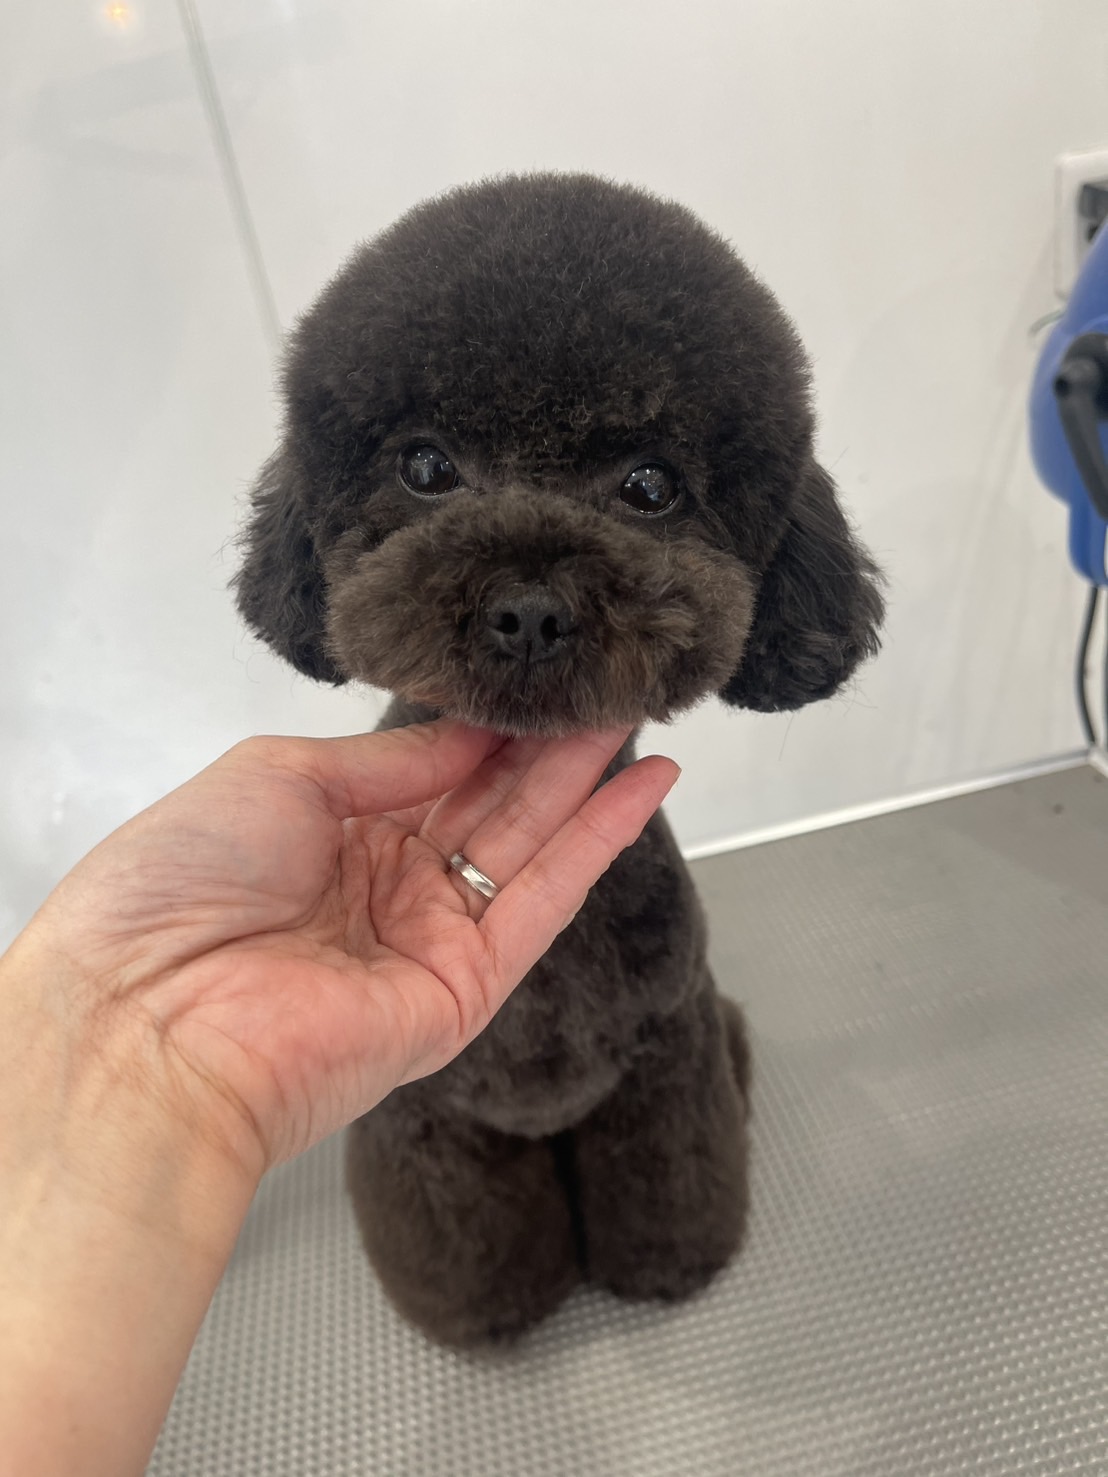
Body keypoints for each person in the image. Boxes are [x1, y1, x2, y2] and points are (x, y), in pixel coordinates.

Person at [0, 718, 678, 1477]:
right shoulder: (356, 881)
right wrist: (144, 1046)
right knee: (415, 1103)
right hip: (425, 1062)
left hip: (598, 961)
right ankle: (484, 1278)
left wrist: (127, 1042)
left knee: (666, 1044)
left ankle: (664, 1229)